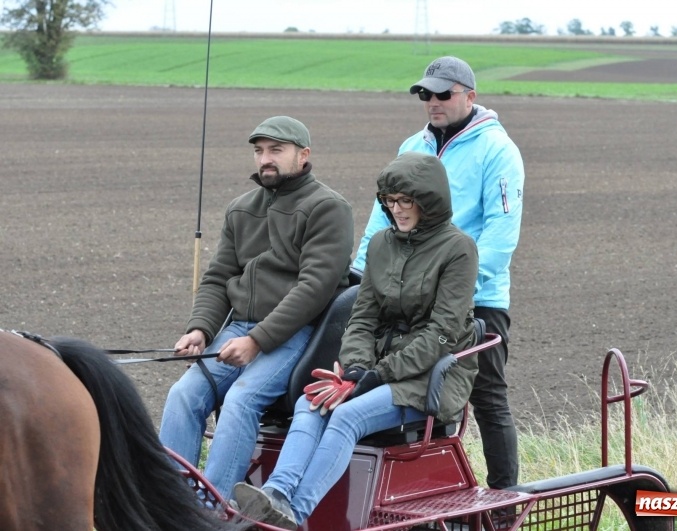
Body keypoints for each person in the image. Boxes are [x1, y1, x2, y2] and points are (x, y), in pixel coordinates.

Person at [231, 151, 480, 530]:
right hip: (375, 370)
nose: (397, 209)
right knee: (311, 402)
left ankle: (294, 517)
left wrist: (377, 375)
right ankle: (277, 496)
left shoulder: (458, 249)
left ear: (428, 201)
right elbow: (362, 317)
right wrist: (357, 368)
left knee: (346, 415)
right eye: (390, 201)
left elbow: (441, 335)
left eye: (406, 201)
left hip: (428, 376)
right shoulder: (381, 244)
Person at [159, 115, 354, 501]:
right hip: (238, 330)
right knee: (182, 396)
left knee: (241, 400)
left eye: (276, 150)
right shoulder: (240, 209)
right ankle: (170, 504)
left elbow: (314, 289)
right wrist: (200, 329)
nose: (265, 159)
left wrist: (257, 341)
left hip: (299, 333)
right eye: (259, 151)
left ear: (303, 155)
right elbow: (218, 278)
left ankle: (214, 512)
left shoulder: (329, 208)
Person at [353, 56, 525, 491]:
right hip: (408, 294)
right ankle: (422, 485)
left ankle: (503, 500)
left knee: (486, 396)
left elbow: (501, 232)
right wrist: (358, 273)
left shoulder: (498, 150)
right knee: (396, 385)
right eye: (425, 94)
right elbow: (381, 220)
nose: (433, 101)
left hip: (476, 297)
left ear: (470, 96)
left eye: (444, 94)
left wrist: (459, 290)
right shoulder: (412, 146)